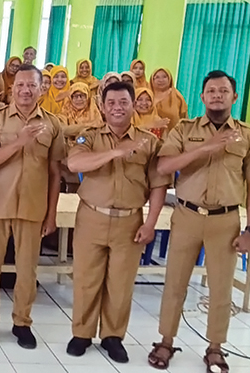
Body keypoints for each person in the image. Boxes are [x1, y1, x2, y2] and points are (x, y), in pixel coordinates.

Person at [147, 71, 250, 372]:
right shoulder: (184, 130)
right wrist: (206, 147)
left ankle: (215, 347)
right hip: (187, 215)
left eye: (223, 91)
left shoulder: (248, 135)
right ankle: (165, 341)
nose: (217, 95)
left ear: (234, 97)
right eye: (211, 91)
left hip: (224, 220)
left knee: (220, 287)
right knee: (175, 282)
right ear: (201, 97)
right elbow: (165, 166)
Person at [65, 81, 169, 362]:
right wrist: (114, 152)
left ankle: (113, 336)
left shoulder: (149, 141)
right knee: (86, 278)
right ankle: (82, 333)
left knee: (120, 282)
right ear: (102, 107)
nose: (117, 108)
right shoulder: (89, 136)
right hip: (92, 216)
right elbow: (75, 164)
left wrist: (151, 224)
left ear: (133, 105)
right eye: (111, 103)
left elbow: (158, 185)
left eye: (123, 102)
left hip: (130, 220)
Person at [0, 64, 66, 349]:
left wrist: (51, 214)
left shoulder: (52, 124)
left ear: (41, 89)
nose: (25, 90)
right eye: (20, 85)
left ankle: (21, 322)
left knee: (28, 271)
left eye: (32, 85)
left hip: (33, 208)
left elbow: (55, 174)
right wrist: (19, 142)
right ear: (12, 88)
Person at [149, 68, 187, 133]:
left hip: (173, 138)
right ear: (152, 80)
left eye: (164, 77)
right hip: (149, 138)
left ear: (169, 79)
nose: (161, 80)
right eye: (157, 77)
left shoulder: (177, 96)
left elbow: (184, 118)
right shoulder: (146, 95)